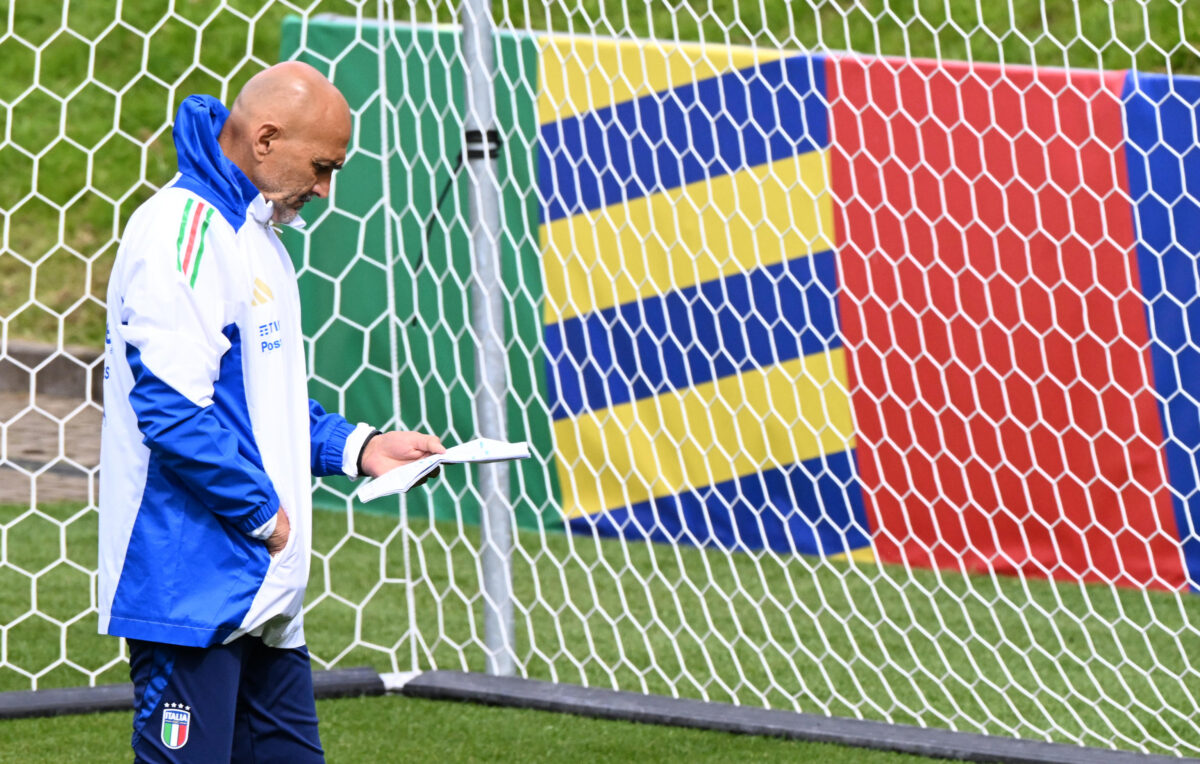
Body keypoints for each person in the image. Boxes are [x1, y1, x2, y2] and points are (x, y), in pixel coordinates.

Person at [97, 61, 444, 762]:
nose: (325, 188)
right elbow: (170, 410)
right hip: (193, 586)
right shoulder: (182, 232)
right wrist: (266, 517)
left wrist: (361, 447)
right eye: (320, 166)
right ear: (263, 139)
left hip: (260, 586)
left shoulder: (253, 232)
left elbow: (262, 402)